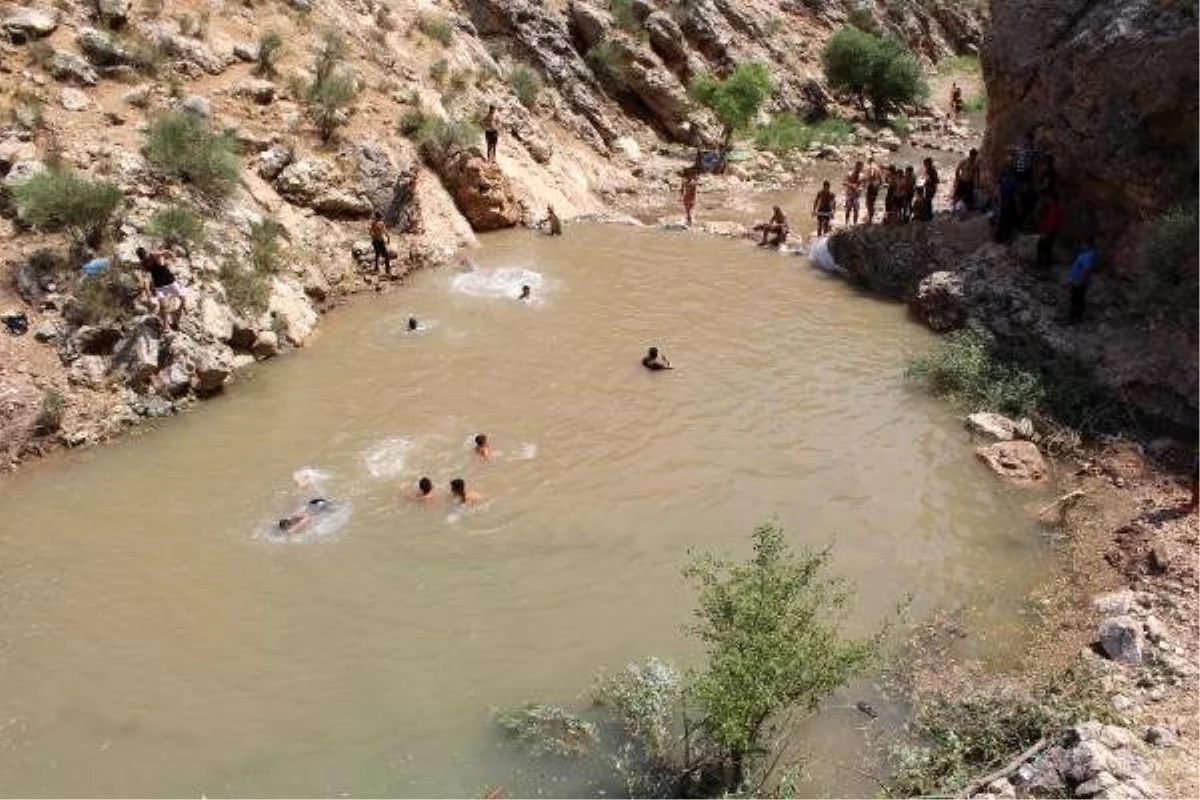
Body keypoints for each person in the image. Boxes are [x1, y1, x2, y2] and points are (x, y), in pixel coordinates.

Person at [135, 245, 186, 330]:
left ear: (146, 253)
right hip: (159, 286)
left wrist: (174, 258)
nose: (145, 257)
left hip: (170, 281)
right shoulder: (143, 264)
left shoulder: (153, 255)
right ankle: (165, 325)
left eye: (144, 255)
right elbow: (145, 278)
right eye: (143, 257)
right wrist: (147, 292)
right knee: (163, 306)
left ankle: (177, 314)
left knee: (183, 299)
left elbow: (167, 252)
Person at [1067, 238, 1097, 324]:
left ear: (1088, 245)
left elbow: (1086, 271)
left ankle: (1075, 317)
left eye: (1083, 244)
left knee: (1077, 299)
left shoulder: (1089, 256)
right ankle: (1075, 315)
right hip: (1077, 280)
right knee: (1077, 298)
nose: (1081, 245)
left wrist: (1080, 281)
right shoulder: (1086, 254)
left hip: (1080, 282)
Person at [1036, 190, 1063, 271]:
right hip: (1051, 231)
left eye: (1048, 198)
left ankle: (1042, 265)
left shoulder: (1054, 210)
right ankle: (1045, 264)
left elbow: (1051, 223)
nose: (1047, 199)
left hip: (1049, 232)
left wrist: (1045, 233)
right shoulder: (1053, 207)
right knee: (1047, 247)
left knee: (1043, 247)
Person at [864, 157, 883, 224]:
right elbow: (881, 180)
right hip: (876, 188)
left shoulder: (871, 167)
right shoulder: (878, 168)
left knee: (869, 203)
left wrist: (868, 180)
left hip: (871, 186)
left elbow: (872, 175)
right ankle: (871, 217)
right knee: (872, 202)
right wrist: (878, 186)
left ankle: (870, 219)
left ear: (869, 161)